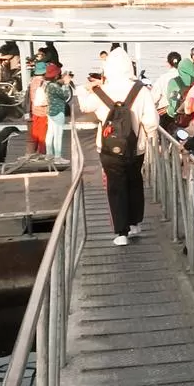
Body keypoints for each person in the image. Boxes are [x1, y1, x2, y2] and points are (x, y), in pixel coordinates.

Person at [75, 48, 159, 245]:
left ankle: (121, 233)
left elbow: (85, 107)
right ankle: (135, 224)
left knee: (116, 186)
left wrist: (83, 88)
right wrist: (151, 141)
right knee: (135, 182)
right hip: (135, 147)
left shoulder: (102, 91)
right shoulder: (141, 90)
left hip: (108, 148)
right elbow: (151, 122)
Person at [44, 63, 72, 164]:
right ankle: (57, 157)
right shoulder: (54, 86)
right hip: (58, 112)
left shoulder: (48, 85)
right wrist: (66, 84)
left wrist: (62, 82)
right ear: (56, 76)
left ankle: (49, 154)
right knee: (58, 135)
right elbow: (66, 96)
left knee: (50, 133)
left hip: (50, 111)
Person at [149, 52, 183, 133]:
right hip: (182, 112)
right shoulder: (185, 77)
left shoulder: (163, 78)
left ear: (168, 63)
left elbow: (154, 98)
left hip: (166, 113)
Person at [27, 61, 50, 156]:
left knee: (35, 132)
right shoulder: (43, 83)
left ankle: (33, 152)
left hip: (35, 110)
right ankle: (42, 153)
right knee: (43, 134)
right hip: (43, 111)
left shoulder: (32, 81)